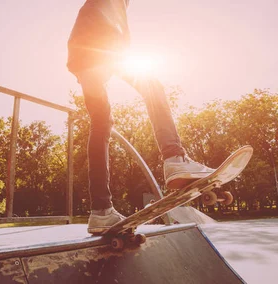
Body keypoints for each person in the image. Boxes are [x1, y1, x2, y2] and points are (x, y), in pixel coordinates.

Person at [67, 0, 214, 234]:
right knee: (152, 86)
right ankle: (174, 158)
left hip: (81, 52)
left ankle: (101, 211)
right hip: (103, 44)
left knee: (101, 122)